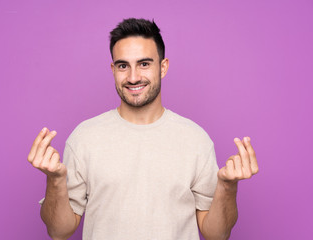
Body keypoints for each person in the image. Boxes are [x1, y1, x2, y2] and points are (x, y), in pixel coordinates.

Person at [27, 18, 259, 240]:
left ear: (163, 67)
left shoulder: (195, 139)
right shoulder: (84, 138)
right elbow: (59, 232)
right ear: (113, 69)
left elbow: (216, 234)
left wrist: (228, 187)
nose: (133, 76)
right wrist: (55, 181)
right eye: (123, 66)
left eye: (144, 64)